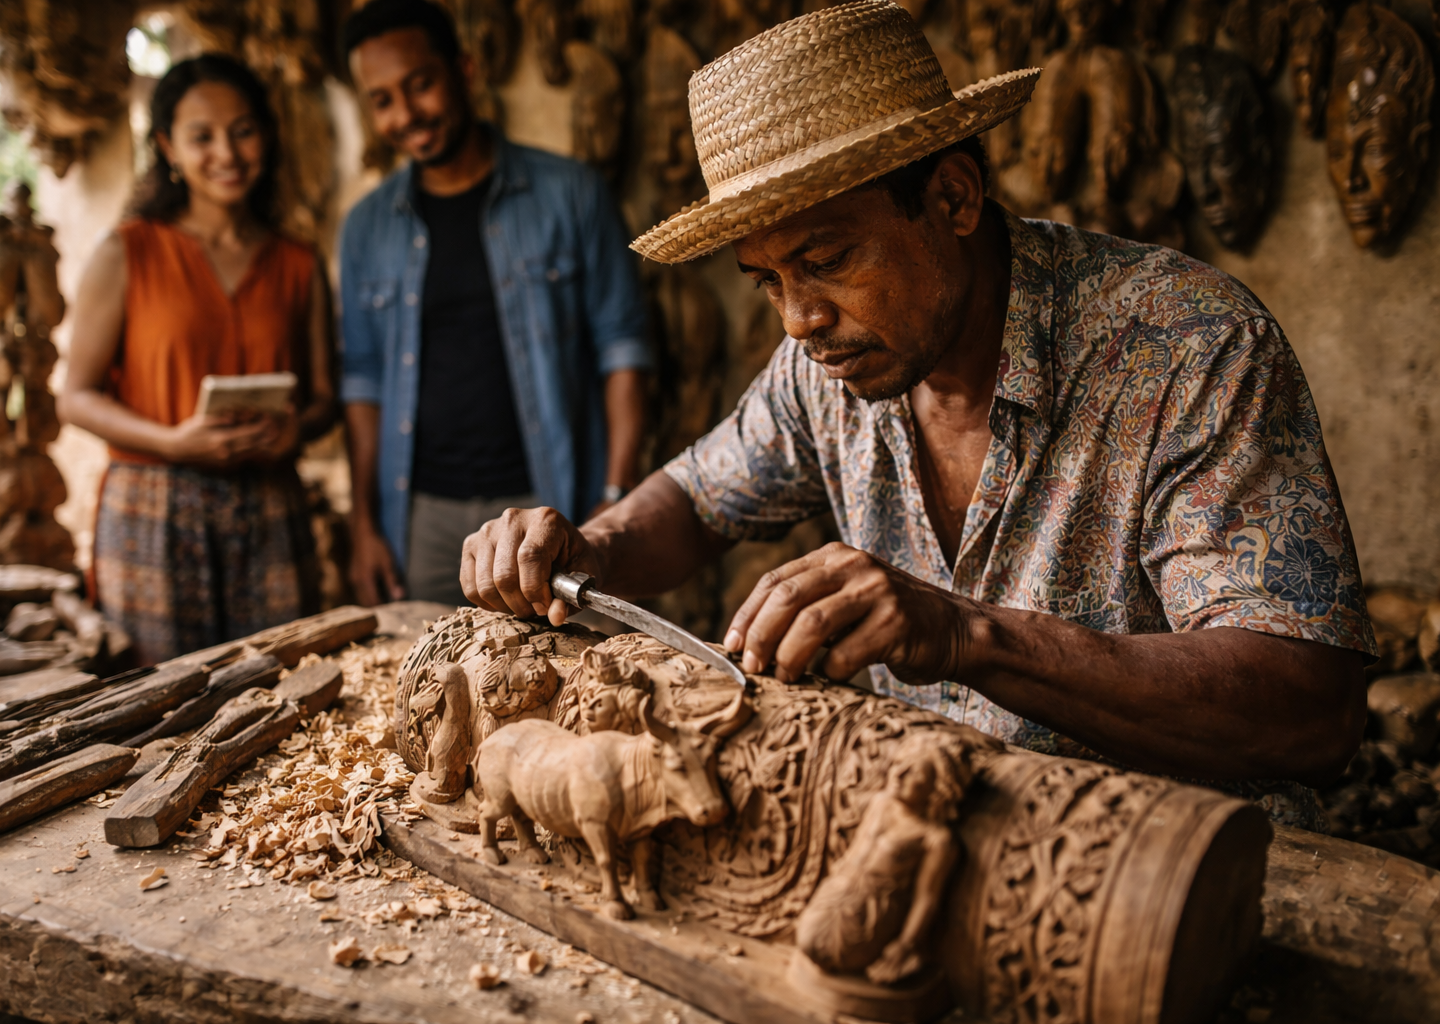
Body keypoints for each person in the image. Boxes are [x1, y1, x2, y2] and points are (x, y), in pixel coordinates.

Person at [460, 1, 1373, 827]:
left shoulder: (1190, 347)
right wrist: (589, 549)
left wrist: (966, 635)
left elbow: (1309, 711)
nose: (798, 319)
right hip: (935, 842)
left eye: (826, 260)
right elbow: (698, 501)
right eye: (768, 280)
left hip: (1173, 878)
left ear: (952, 198)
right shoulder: (826, 369)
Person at [338, 0, 651, 607]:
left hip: (551, 504)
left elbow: (623, 351)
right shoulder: (365, 229)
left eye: (420, 84)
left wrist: (615, 498)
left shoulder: (572, 194)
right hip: (421, 522)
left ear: (465, 70)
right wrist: (364, 526)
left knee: (571, 663)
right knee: (427, 665)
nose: (406, 114)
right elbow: (363, 386)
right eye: (382, 100)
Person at [60, 55, 337, 664]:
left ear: (267, 136)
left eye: (243, 131)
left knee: (285, 693)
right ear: (168, 147)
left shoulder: (298, 263)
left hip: (270, 504)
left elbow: (324, 399)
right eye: (201, 136)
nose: (227, 153)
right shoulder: (127, 252)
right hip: (151, 508)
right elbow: (74, 397)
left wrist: (294, 429)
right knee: (160, 698)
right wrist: (170, 441)